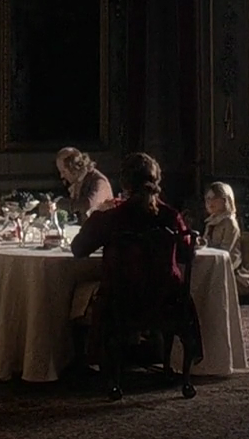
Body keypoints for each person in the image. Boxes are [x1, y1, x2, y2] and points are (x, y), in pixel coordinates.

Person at [70, 152, 202, 368]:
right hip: (167, 300)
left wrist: (98, 214)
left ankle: (93, 362)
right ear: (157, 180)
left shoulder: (112, 217)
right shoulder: (170, 216)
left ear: (125, 183)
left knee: (80, 294)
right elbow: (187, 254)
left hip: (121, 301)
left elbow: (78, 249)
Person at [203, 182, 249, 295]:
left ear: (225, 200)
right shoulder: (211, 221)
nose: (209, 202)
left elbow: (226, 252)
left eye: (214, 198)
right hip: (214, 266)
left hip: (230, 271)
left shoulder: (229, 222)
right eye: (208, 198)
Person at [41, 147, 113, 224]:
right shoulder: (77, 182)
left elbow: (88, 204)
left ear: (73, 167)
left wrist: (60, 204)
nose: (62, 176)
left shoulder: (99, 181)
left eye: (64, 171)